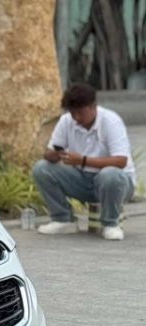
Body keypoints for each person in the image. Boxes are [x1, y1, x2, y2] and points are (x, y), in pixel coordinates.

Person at [32, 83, 136, 240]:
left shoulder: (111, 121)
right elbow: (49, 152)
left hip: (117, 184)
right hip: (82, 179)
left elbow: (120, 161)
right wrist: (53, 154)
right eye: (73, 112)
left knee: (110, 174)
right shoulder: (66, 121)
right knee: (42, 168)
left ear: (93, 106)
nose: (76, 117)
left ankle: (110, 224)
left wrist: (82, 160)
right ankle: (63, 219)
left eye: (80, 112)